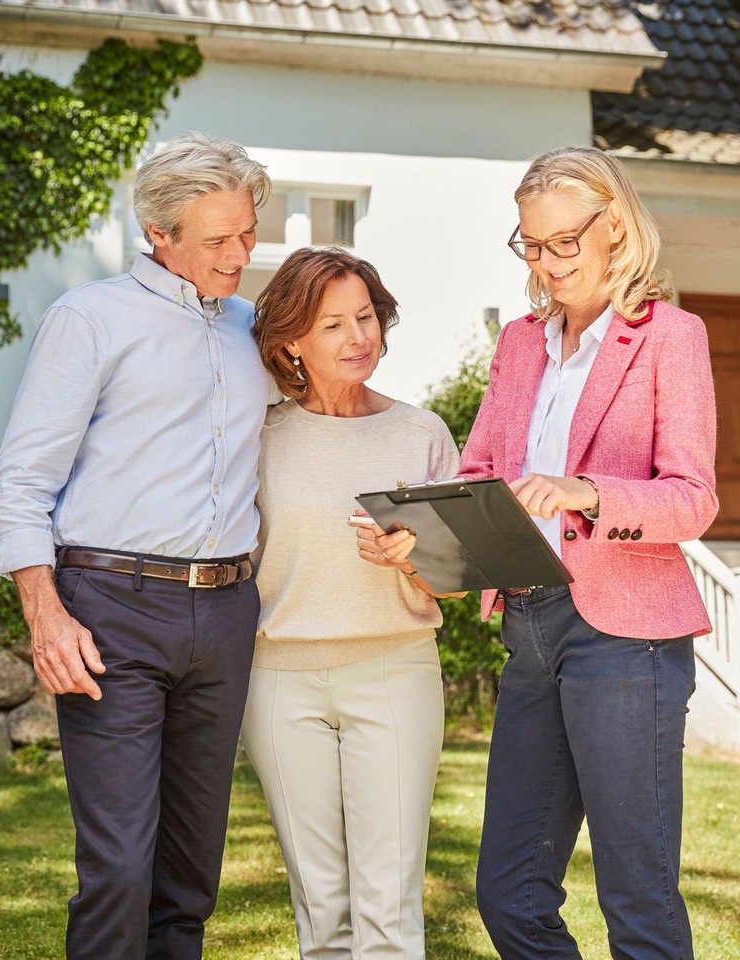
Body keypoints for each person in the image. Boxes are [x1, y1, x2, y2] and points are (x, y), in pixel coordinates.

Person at [0, 132, 272, 960]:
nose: (240, 253)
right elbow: (21, 484)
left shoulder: (251, 328)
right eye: (217, 240)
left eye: (248, 232)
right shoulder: (91, 319)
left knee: (190, 875)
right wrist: (45, 616)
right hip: (112, 608)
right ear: (161, 234)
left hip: (224, 612)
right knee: (118, 867)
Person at [457, 146, 718, 960]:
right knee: (510, 894)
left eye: (564, 241)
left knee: (636, 900)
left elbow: (693, 499)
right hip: (530, 624)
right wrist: (429, 537)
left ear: (616, 228)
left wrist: (589, 493)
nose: (547, 262)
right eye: (531, 245)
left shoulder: (670, 337)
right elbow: (478, 474)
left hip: (625, 639)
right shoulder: (521, 346)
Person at [242, 246, 461, 959]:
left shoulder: (420, 432)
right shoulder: (260, 436)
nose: (358, 337)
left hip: (395, 671)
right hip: (279, 680)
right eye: (333, 324)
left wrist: (416, 556)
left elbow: (456, 579)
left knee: (388, 903)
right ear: (291, 342)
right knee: (321, 905)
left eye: (365, 317)